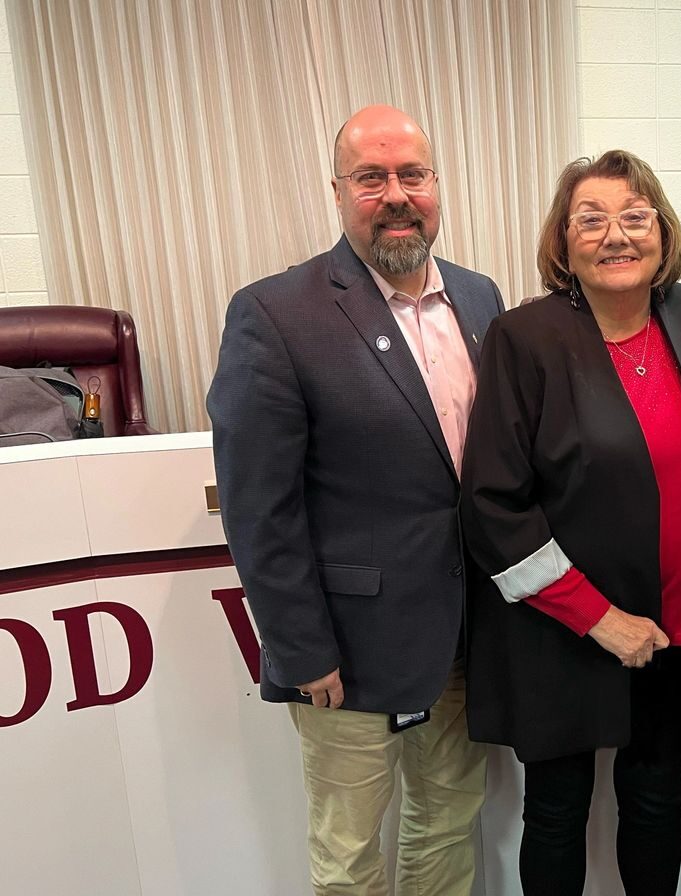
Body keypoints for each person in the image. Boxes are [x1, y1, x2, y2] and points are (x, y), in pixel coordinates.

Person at [207, 105, 503, 896]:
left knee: (446, 824)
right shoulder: (277, 312)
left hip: (467, 638)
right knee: (349, 856)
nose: (396, 193)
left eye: (412, 174)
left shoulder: (480, 300)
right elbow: (257, 507)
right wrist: (301, 650)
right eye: (372, 177)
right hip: (349, 650)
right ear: (338, 191)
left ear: (437, 186)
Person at [459, 149, 681, 896]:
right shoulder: (524, 339)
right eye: (592, 219)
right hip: (565, 625)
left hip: (677, 623)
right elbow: (492, 504)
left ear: (662, 232)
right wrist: (597, 617)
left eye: (634, 216)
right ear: (563, 242)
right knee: (557, 811)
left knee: (657, 800)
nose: (616, 235)